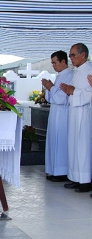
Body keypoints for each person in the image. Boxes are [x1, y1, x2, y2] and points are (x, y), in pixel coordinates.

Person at [60, 43, 92, 192]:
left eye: (73, 55)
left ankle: (85, 180)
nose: (70, 58)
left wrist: (73, 91)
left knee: (82, 147)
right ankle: (75, 177)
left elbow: (88, 94)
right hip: (74, 113)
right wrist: (69, 91)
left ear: (83, 55)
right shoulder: (77, 72)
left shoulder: (89, 70)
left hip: (83, 114)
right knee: (73, 146)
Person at [41, 50, 73, 182]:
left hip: (63, 113)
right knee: (54, 140)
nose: (53, 65)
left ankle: (62, 171)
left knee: (61, 141)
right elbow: (52, 97)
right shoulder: (60, 75)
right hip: (55, 112)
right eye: (52, 63)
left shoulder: (70, 75)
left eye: (55, 62)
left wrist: (51, 87)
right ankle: (54, 170)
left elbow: (62, 98)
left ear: (63, 61)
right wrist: (48, 88)